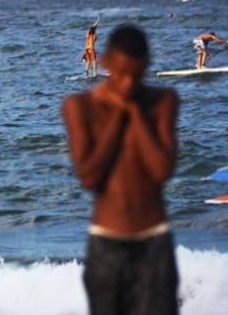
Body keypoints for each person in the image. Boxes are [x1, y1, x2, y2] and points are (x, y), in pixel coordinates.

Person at [62, 24, 180, 315]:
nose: (128, 83)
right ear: (106, 63)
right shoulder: (79, 106)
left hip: (154, 240)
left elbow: (161, 170)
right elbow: (89, 176)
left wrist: (134, 113)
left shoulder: (162, 102)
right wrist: (118, 115)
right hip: (106, 241)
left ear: (147, 66)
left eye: (137, 74)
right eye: (122, 73)